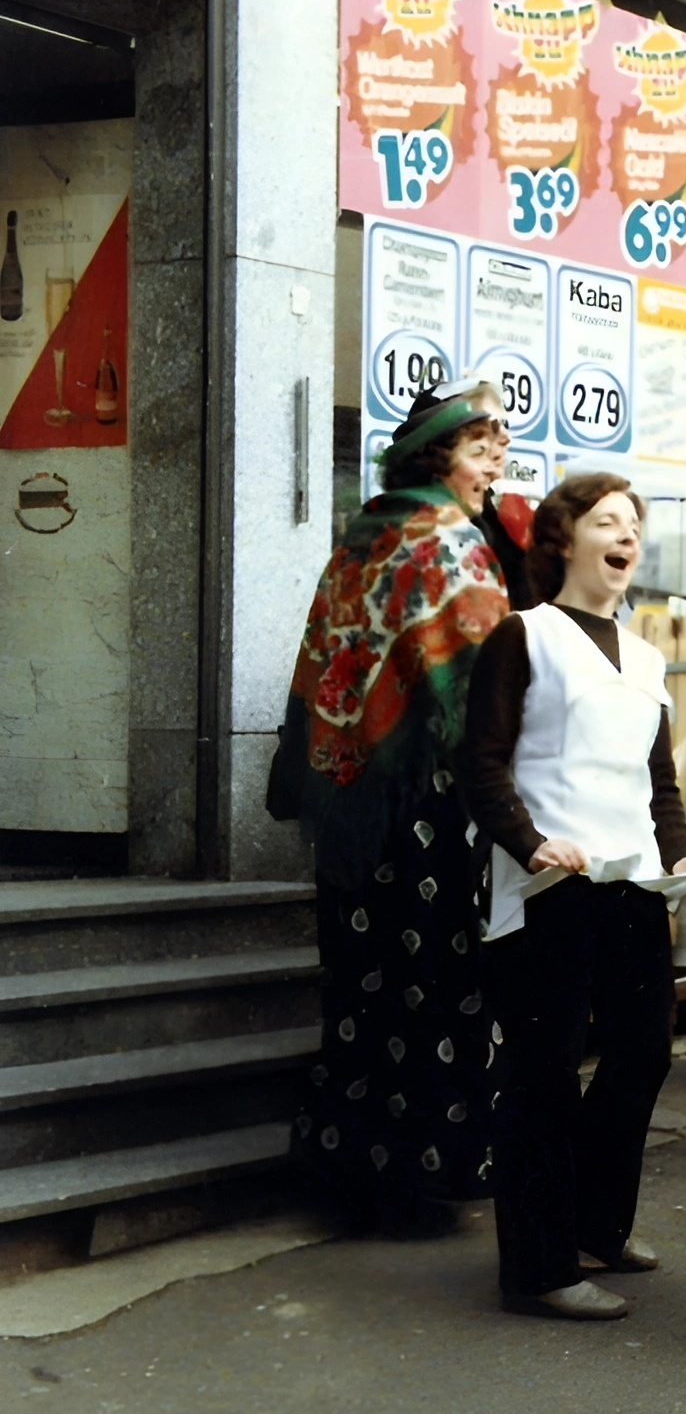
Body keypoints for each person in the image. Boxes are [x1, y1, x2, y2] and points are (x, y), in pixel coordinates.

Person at [462, 472, 686, 1320]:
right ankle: (538, 1270)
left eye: (634, 526)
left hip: (631, 884)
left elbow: (661, 785)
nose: (627, 538)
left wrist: (682, 859)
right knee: (542, 1073)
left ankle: (594, 1227)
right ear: (564, 539)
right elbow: (481, 762)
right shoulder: (523, 636)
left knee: (644, 1051)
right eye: (608, 522)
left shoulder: (646, 654)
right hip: (549, 886)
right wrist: (530, 840)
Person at [271, 379, 515, 1234]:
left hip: (350, 801)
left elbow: (322, 658)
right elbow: (489, 678)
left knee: (360, 986)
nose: (495, 466)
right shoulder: (451, 539)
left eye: (500, 450)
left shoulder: (365, 533)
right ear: (438, 455)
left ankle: (351, 1165)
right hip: (427, 806)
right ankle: (419, 1179)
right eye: (480, 449)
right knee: (436, 987)